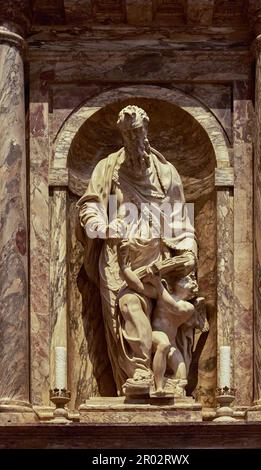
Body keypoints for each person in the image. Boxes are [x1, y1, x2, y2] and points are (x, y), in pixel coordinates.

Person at [76, 105, 197, 396]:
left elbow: (180, 219)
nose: (134, 142)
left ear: (146, 133)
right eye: (128, 136)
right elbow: (89, 205)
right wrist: (103, 227)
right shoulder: (108, 168)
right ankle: (138, 373)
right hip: (120, 256)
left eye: (138, 134)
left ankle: (160, 375)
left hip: (157, 255)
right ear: (123, 137)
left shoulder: (166, 173)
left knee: (159, 319)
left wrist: (188, 249)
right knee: (128, 308)